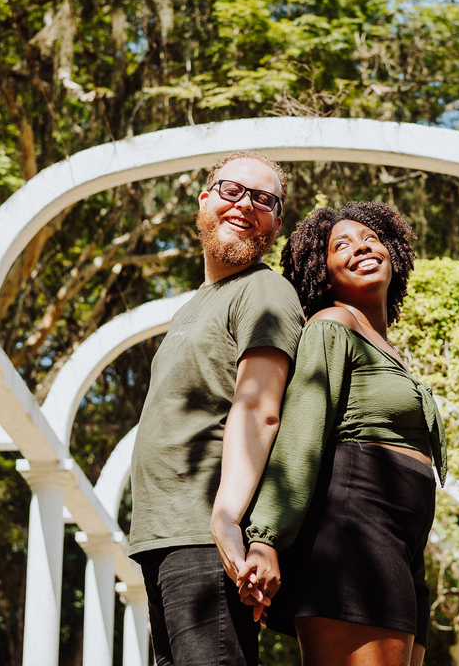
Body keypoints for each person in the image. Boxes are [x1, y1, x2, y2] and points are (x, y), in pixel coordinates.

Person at [218, 201, 447, 666]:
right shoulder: (332, 326)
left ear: (394, 253)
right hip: (356, 533)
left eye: (370, 238)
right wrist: (265, 538)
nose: (360, 246)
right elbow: (303, 431)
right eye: (341, 244)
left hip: (404, 542)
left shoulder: (384, 346)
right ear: (321, 273)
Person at [128, 152, 305, 666]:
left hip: (203, 535)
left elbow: (260, 409)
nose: (245, 205)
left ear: (275, 222)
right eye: (232, 190)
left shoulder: (265, 290)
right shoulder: (195, 304)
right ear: (205, 199)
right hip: (161, 538)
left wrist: (227, 520)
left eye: (264, 199)